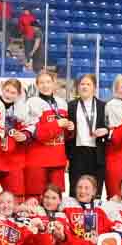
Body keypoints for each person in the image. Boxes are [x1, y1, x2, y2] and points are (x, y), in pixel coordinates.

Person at [19, 67, 69, 198]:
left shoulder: (62, 103)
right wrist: (57, 124)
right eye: (41, 82)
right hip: (38, 160)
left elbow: (65, 136)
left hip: (58, 159)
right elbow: (37, 134)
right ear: (37, 85)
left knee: (56, 200)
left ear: (54, 83)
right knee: (34, 199)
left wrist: (70, 128)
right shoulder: (32, 102)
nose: (45, 85)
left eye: (48, 82)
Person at [67, 73, 104, 192]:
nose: (85, 87)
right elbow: (66, 133)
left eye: (88, 84)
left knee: (95, 190)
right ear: (78, 87)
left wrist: (106, 130)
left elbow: (110, 127)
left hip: (96, 154)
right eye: (82, 84)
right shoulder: (71, 106)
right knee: (76, 189)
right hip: (77, 153)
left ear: (94, 88)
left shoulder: (103, 106)